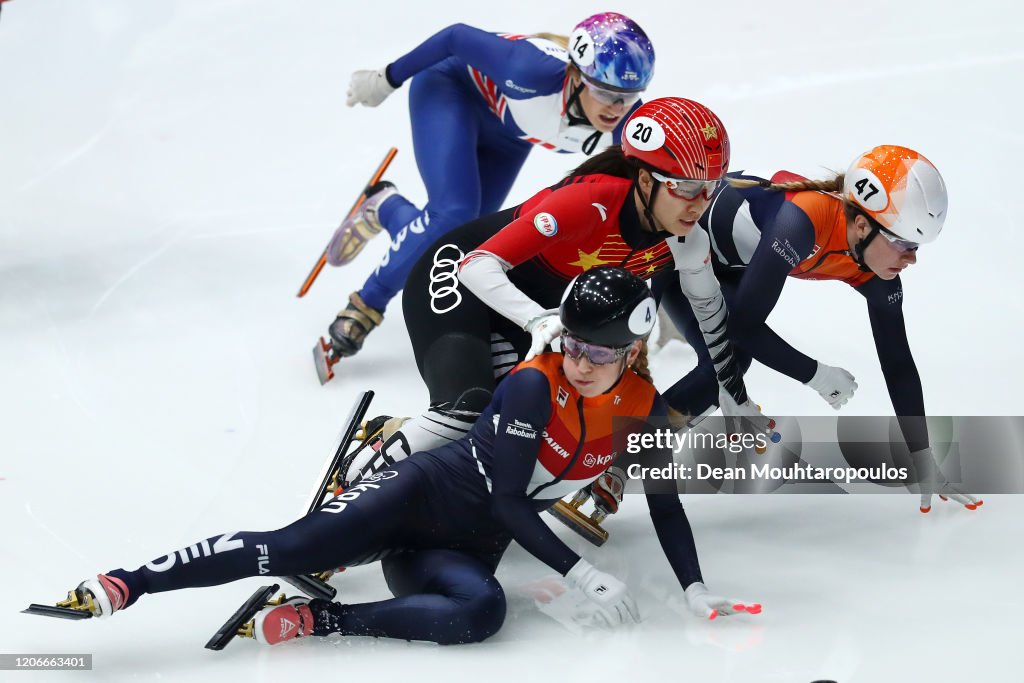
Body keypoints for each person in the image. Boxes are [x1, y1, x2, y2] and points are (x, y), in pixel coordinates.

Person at [53, 269, 758, 646]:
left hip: (464, 545)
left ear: (634, 352)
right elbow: (512, 500)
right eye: (571, 341)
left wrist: (694, 588)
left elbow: (664, 495)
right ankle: (127, 583)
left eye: (597, 352)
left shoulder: (641, 401)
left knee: (481, 613)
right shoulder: (531, 385)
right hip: (419, 495)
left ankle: (323, 623)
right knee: (289, 546)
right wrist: (580, 571)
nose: (577, 360)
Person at [344, 97, 772, 486]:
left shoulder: (687, 240)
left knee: (564, 410)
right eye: (686, 187)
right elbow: (476, 266)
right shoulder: (591, 203)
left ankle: (399, 437)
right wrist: (537, 319)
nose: (699, 204)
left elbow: (713, 321)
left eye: (710, 188)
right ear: (645, 181)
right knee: (466, 408)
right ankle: (346, 490)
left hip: (523, 312)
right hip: (457, 279)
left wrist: (732, 392)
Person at [656, 145, 982, 512]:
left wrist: (922, 457)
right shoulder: (802, 222)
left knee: (732, 362)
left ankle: (631, 448)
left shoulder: (877, 268)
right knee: (730, 361)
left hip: (726, 270)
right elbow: (744, 327)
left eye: (918, 245)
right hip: (671, 252)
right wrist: (815, 375)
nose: (913, 258)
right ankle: (621, 451)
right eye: (904, 244)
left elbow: (898, 363)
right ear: (862, 225)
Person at [323, 13, 656, 358]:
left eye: (628, 96)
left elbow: (641, 195)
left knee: (463, 237)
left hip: (510, 135)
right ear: (574, 75)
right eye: (604, 92)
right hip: (450, 88)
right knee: (453, 212)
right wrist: (386, 78)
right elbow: (456, 36)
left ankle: (387, 208)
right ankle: (366, 304)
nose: (616, 107)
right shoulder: (530, 70)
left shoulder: (632, 120)